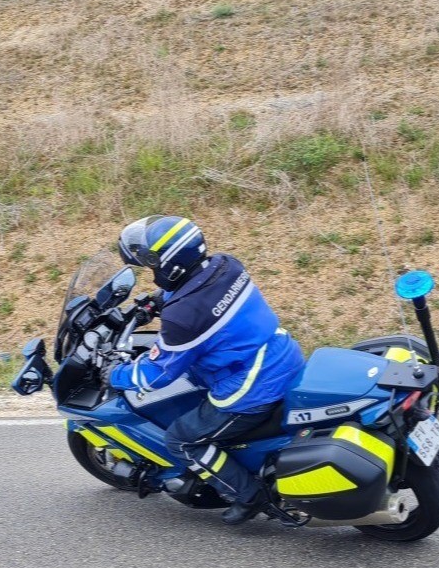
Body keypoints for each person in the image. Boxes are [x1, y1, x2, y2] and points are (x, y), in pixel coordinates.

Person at [106, 215, 305, 524]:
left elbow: (157, 375)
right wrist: (156, 303)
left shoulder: (183, 318)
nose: (153, 272)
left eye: (153, 266)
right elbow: (197, 290)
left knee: (181, 439)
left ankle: (248, 494)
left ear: (170, 266)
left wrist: (115, 374)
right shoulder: (227, 265)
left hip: (250, 388)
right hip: (280, 354)